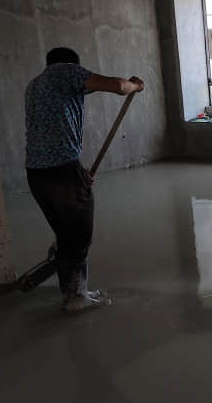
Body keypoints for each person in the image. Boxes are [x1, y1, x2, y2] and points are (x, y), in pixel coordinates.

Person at [25, 47, 144, 312]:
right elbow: (118, 86)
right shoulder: (65, 72)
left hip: (37, 173)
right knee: (78, 236)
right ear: (73, 65)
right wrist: (135, 85)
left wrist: (78, 173)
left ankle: (71, 289)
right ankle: (76, 297)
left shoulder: (35, 85)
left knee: (66, 233)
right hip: (62, 171)